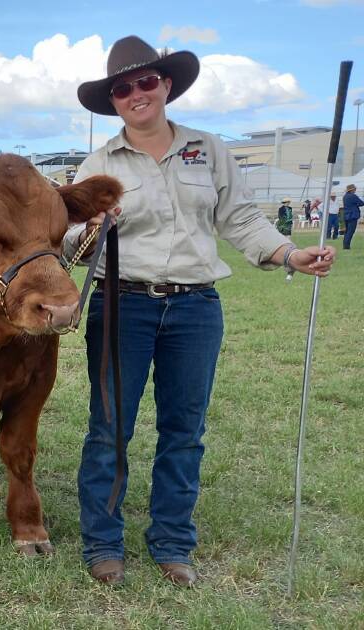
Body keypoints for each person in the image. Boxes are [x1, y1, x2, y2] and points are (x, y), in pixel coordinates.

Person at [67, 35, 335, 588]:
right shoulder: (97, 162)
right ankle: (102, 543)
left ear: (165, 85)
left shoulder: (208, 149)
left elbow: (240, 218)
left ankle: (171, 543)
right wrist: (94, 225)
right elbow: (68, 242)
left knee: (184, 431)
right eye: (123, 88)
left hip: (196, 309)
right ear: (113, 100)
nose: (136, 94)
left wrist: (288, 252)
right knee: (110, 429)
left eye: (146, 82)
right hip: (124, 306)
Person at [342, 184, 361, 250]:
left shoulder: (345, 196)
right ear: (352, 190)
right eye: (354, 189)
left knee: (347, 231)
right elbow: (361, 203)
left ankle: (345, 245)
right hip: (352, 216)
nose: (355, 190)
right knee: (351, 231)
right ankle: (347, 246)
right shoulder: (353, 196)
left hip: (346, 215)